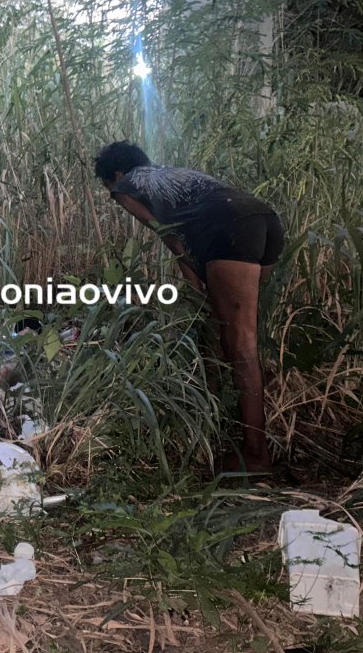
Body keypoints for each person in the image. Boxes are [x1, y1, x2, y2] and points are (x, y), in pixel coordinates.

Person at [93, 141, 284, 474]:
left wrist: (192, 284)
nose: (113, 194)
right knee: (228, 334)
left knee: (241, 346)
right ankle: (230, 430)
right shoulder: (170, 175)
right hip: (263, 220)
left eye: (109, 185)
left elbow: (169, 236)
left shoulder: (126, 186)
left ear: (117, 174)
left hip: (228, 230)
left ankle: (256, 457)